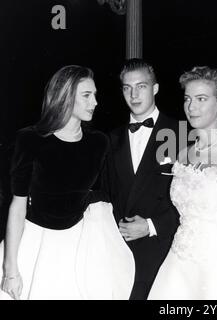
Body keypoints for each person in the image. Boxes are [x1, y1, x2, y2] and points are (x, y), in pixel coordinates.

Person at [0, 65, 135, 300]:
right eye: (86, 95)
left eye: (94, 95)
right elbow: (18, 205)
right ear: (64, 96)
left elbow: (103, 193)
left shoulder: (98, 142)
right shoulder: (31, 139)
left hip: (81, 241)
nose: (94, 102)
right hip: (35, 239)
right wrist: (10, 268)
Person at [147, 66, 217, 300]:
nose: (191, 107)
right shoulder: (182, 155)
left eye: (201, 99)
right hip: (179, 265)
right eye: (188, 99)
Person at [101, 59, 179, 300]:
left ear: (155, 88)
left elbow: (196, 201)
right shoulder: (110, 139)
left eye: (141, 86)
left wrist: (151, 226)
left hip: (166, 252)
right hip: (121, 253)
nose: (134, 95)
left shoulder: (182, 133)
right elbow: (105, 197)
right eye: (127, 87)